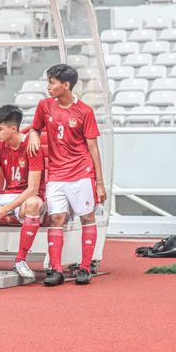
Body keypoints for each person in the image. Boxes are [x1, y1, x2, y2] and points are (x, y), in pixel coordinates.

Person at [27, 64, 106, 286]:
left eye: (52, 83)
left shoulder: (85, 111)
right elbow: (35, 128)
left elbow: (93, 148)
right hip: (56, 175)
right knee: (56, 218)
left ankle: (84, 267)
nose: (48, 87)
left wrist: (99, 183)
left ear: (66, 85)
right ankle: (56, 269)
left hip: (82, 173)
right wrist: (34, 134)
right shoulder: (44, 106)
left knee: (87, 217)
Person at [0, 105, 46, 280]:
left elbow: (33, 188)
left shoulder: (32, 147)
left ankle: (20, 260)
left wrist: (4, 210)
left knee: (34, 204)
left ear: (13, 128)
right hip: (7, 195)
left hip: (28, 196)